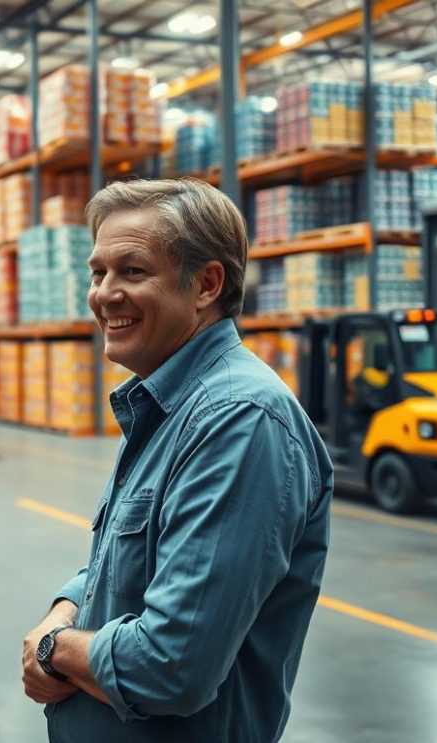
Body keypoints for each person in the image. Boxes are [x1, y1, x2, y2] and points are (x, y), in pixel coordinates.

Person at [22, 179, 333, 742]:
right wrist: (65, 606)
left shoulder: (238, 421)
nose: (105, 294)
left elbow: (170, 669)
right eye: (98, 273)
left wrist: (55, 648)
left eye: (133, 271)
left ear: (207, 284)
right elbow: (128, 562)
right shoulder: (165, 402)